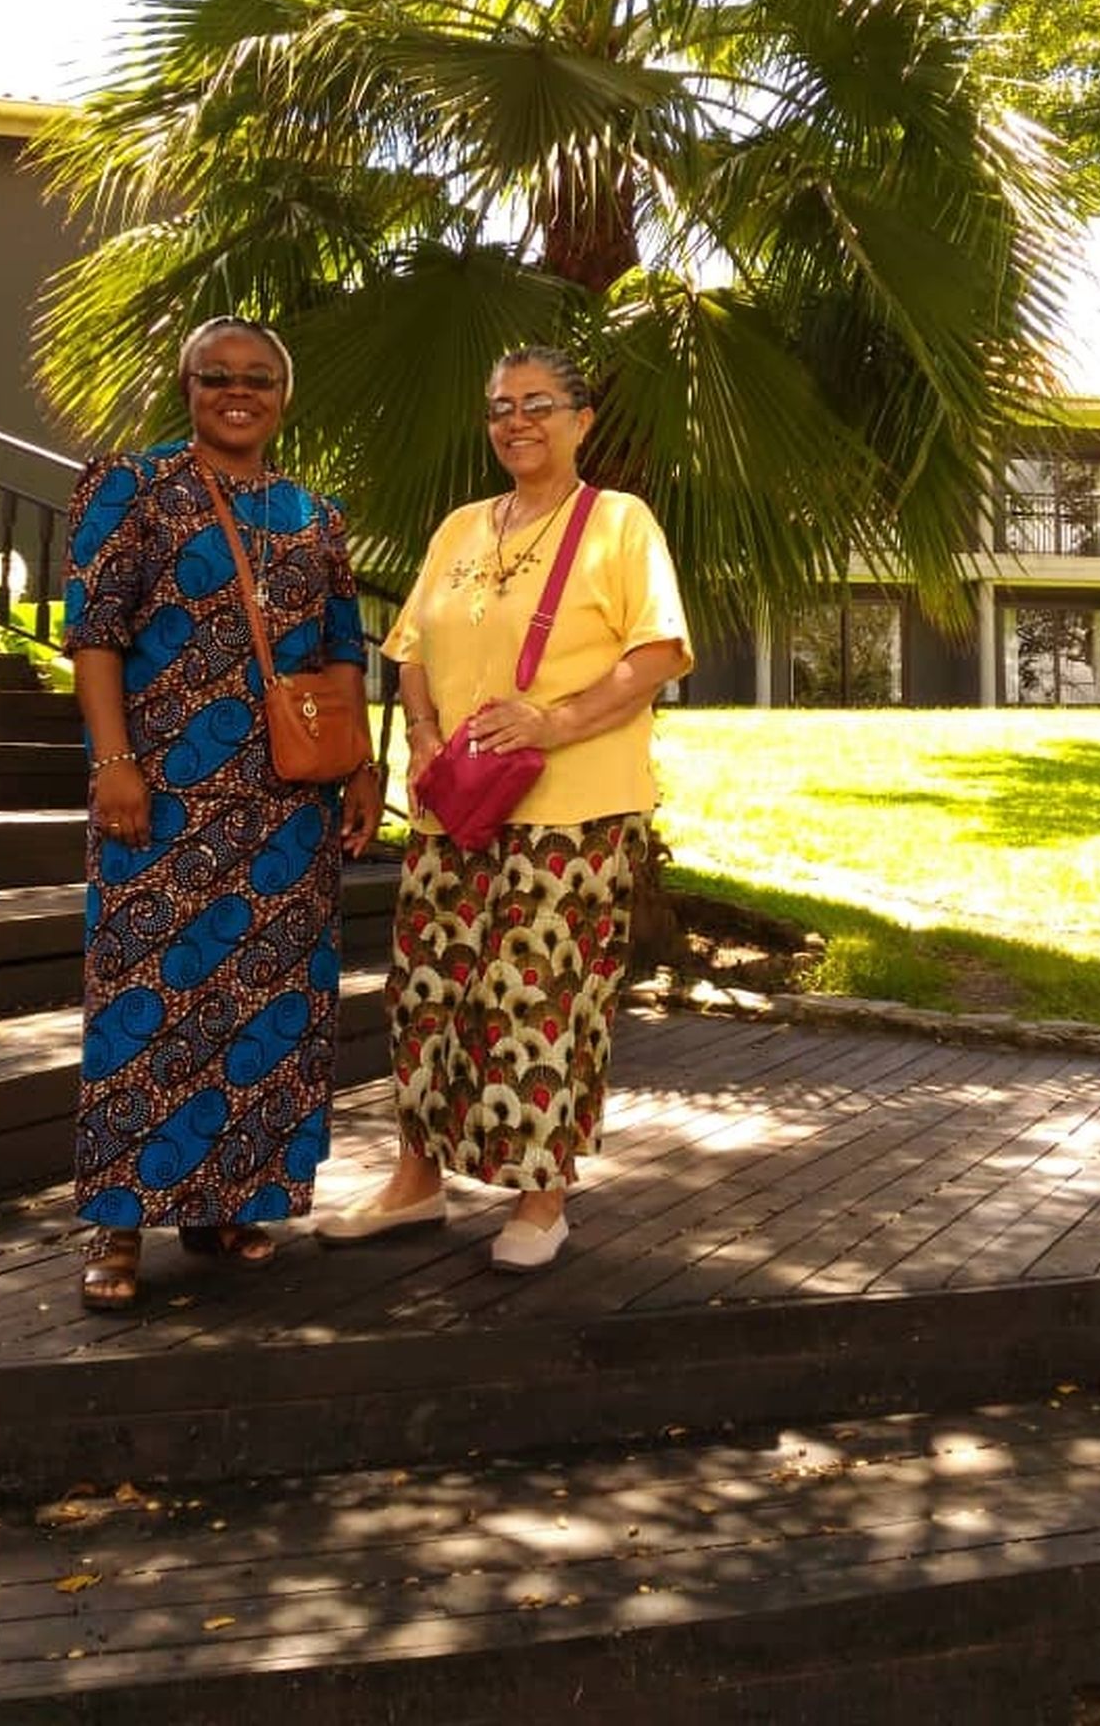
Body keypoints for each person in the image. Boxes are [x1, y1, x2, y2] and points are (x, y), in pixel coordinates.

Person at [317, 345, 691, 1271]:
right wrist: (424, 727)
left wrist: (553, 720)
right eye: (499, 407)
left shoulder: (619, 523)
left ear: (581, 419)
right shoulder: (459, 527)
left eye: (538, 404)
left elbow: (656, 655)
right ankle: (416, 1180)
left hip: (573, 810)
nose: (516, 421)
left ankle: (541, 1198)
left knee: (540, 999)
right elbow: (408, 643)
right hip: (456, 809)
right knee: (429, 994)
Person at [63, 316, 382, 1311]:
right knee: (143, 1001)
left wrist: (359, 768)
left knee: (264, 1004)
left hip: (287, 808)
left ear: (284, 397)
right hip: (160, 798)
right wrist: (114, 761)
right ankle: (117, 1228)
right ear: (188, 385)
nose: (237, 392)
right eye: (217, 377)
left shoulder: (313, 514)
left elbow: (339, 649)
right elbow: (95, 635)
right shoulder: (130, 485)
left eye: (258, 379)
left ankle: (230, 1202)